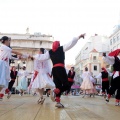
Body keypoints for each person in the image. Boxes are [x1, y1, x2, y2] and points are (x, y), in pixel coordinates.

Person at [31, 34, 85, 108]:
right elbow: (70, 43)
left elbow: (42, 57)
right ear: (58, 45)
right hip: (60, 69)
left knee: (58, 85)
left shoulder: (50, 52)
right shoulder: (61, 48)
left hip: (54, 70)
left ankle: (58, 102)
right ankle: (56, 91)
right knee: (66, 85)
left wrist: (32, 56)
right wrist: (78, 37)